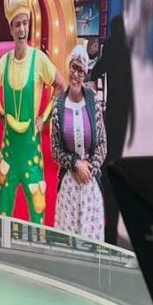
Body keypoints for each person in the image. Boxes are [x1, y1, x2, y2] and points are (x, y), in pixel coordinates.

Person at [0, 0, 64, 224]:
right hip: (9, 152)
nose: (22, 29)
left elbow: (60, 85)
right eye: (17, 24)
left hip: (32, 153)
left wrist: (45, 116)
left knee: (37, 213)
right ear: (11, 29)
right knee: (3, 211)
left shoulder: (39, 59)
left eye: (25, 23)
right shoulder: (5, 61)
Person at [50, 45, 107, 241]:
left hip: (90, 184)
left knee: (91, 241)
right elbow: (55, 149)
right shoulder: (58, 106)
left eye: (81, 70)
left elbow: (102, 144)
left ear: (86, 73)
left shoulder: (93, 102)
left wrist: (89, 170)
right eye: (74, 67)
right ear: (68, 66)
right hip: (68, 185)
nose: (76, 75)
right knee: (68, 241)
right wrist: (75, 163)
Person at [89, 15, 135, 245]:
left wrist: (90, 75)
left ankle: (108, 232)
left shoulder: (112, 46)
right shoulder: (128, 49)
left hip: (113, 113)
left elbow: (99, 70)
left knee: (110, 163)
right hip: (125, 113)